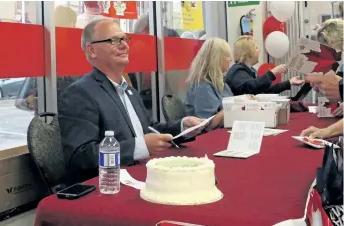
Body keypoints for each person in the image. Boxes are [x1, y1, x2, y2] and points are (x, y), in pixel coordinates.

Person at [58, 18, 205, 183]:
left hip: (142, 176)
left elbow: (149, 129)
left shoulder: (129, 90)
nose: (124, 45)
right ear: (92, 51)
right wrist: (140, 147)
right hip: (108, 187)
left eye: (125, 39)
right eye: (114, 40)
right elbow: (81, 156)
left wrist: (182, 127)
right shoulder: (80, 93)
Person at [225, 35, 304, 95]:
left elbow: (266, 91)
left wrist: (289, 82)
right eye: (256, 48)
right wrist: (273, 72)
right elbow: (252, 87)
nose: (259, 50)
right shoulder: (237, 71)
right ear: (248, 53)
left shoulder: (250, 70)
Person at [185, 38, 234, 130]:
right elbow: (208, 125)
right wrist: (234, 107)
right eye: (227, 56)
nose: (230, 59)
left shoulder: (219, 83)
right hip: (207, 137)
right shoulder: (203, 86)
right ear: (217, 58)